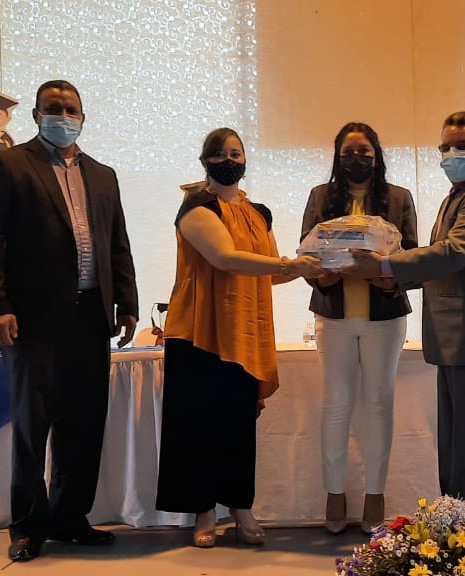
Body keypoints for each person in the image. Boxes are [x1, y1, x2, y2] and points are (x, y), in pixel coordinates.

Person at [0, 80, 139, 562]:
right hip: (32, 321)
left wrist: (127, 301)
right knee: (33, 428)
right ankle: (28, 526)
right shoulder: (9, 164)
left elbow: (117, 243)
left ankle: (70, 518)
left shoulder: (103, 175)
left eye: (70, 110)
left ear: (82, 117)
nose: (62, 117)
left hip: (91, 317)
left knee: (84, 425)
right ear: (35, 114)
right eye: (53, 109)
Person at [156, 127, 323, 548]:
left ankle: (241, 507)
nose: (229, 160)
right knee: (198, 424)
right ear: (205, 162)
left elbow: (270, 272)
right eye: (220, 154)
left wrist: (311, 265)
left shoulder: (259, 213)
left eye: (236, 153)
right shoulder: (196, 206)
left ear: (245, 160)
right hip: (197, 331)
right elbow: (225, 258)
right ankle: (203, 512)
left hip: (244, 331)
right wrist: (292, 265)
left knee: (237, 425)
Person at [348, 111, 465, 510]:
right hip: (456, 338)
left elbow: (453, 253)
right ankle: (456, 526)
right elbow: (444, 265)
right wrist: (392, 279)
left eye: (461, 146)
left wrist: (385, 266)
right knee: (456, 446)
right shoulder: (457, 194)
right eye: (444, 147)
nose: (450, 154)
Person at [301, 123, 418, 534]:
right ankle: (334, 493)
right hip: (333, 315)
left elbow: (412, 257)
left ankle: (375, 494)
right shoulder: (320, 196)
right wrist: (321, 275)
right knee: (335, 405)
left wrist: (384, 276)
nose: (357, 158)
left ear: (376, 155)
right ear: (337, 156)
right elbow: (306, 255)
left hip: (384, 316)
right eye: (348, 152)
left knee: (379, 404)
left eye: (364, 151)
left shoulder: (399, 198)